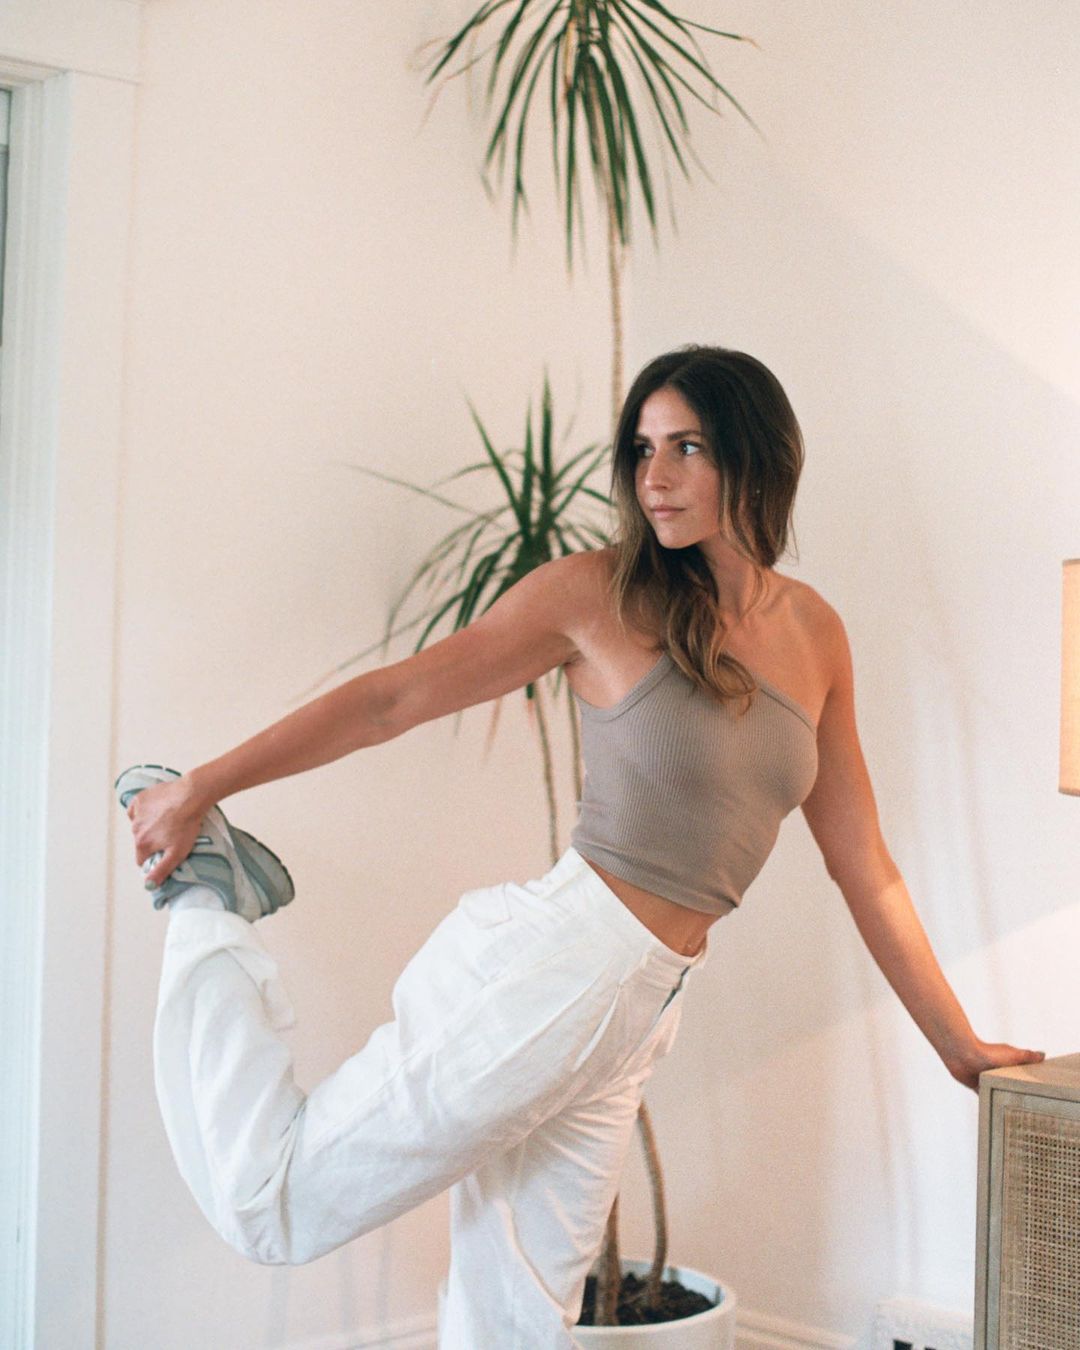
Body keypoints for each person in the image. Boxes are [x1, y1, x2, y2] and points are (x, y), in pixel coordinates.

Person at [118, 345, 1044, 1348]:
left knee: (515, 1319)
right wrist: (204, 787)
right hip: (553, 973)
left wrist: (957, 1044)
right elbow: (394, 700)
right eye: (643, 449)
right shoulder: (594, 595)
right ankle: (212, 901)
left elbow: (864, 862)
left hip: (640, 1011)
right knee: (273, 1205)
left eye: (688, 447)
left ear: (757, 458)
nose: (656, 476)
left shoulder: (815, 632)